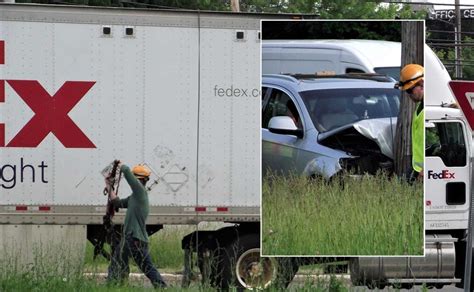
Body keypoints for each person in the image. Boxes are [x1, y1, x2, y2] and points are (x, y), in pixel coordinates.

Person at [106, 161, 167, 288]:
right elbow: (117, 203)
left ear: (139, 180)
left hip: (134, 239)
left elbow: (127, 173)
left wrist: (120, 165)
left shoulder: (140, 192)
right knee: (120, 262)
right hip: (132, 238)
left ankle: (161, 287)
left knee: (123, 263)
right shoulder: (135, 197)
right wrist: (108, 186)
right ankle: (116, 285)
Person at [399, 64, 424, 180]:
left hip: (425, 172)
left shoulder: (428, 110)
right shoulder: (420, 106)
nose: (408, 95)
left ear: (422, 84)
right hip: (418, 169)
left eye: (410, 90)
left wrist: (426, 169)